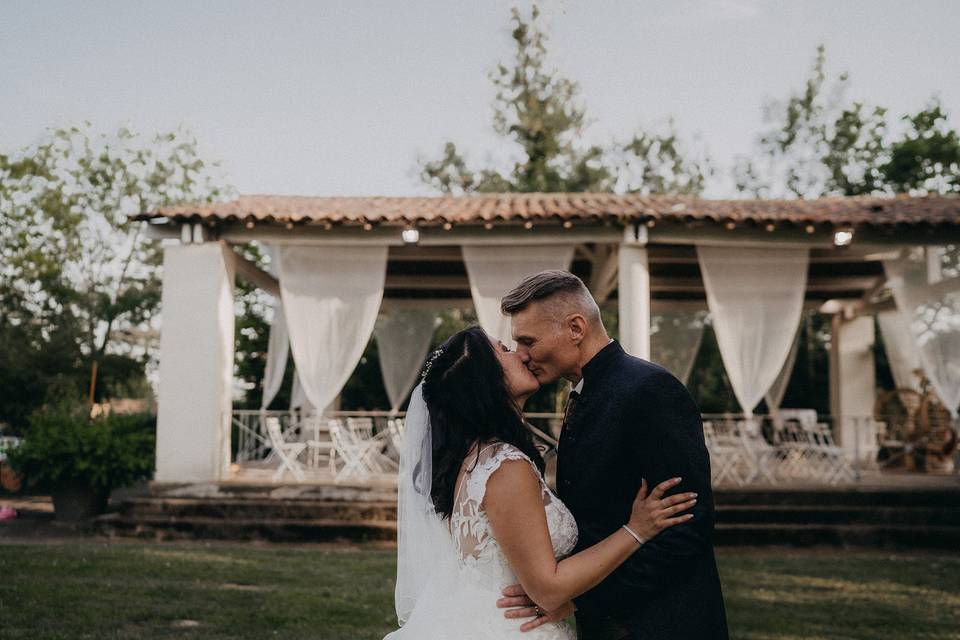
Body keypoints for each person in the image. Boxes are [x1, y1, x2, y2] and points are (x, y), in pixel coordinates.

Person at [385, 325, 696, 640]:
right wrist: (636, 529)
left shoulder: (471, 458)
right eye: (505, 351)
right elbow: (548, 590)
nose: (520, 354)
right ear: (486, 380)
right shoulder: (503, 466)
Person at [496, 270, 728, 639]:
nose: (522, 356)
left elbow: (685, 528)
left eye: (528, 341)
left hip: (663, 623)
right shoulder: (583, 393)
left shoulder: (649, 389)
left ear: (575, 328)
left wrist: (577, 598)